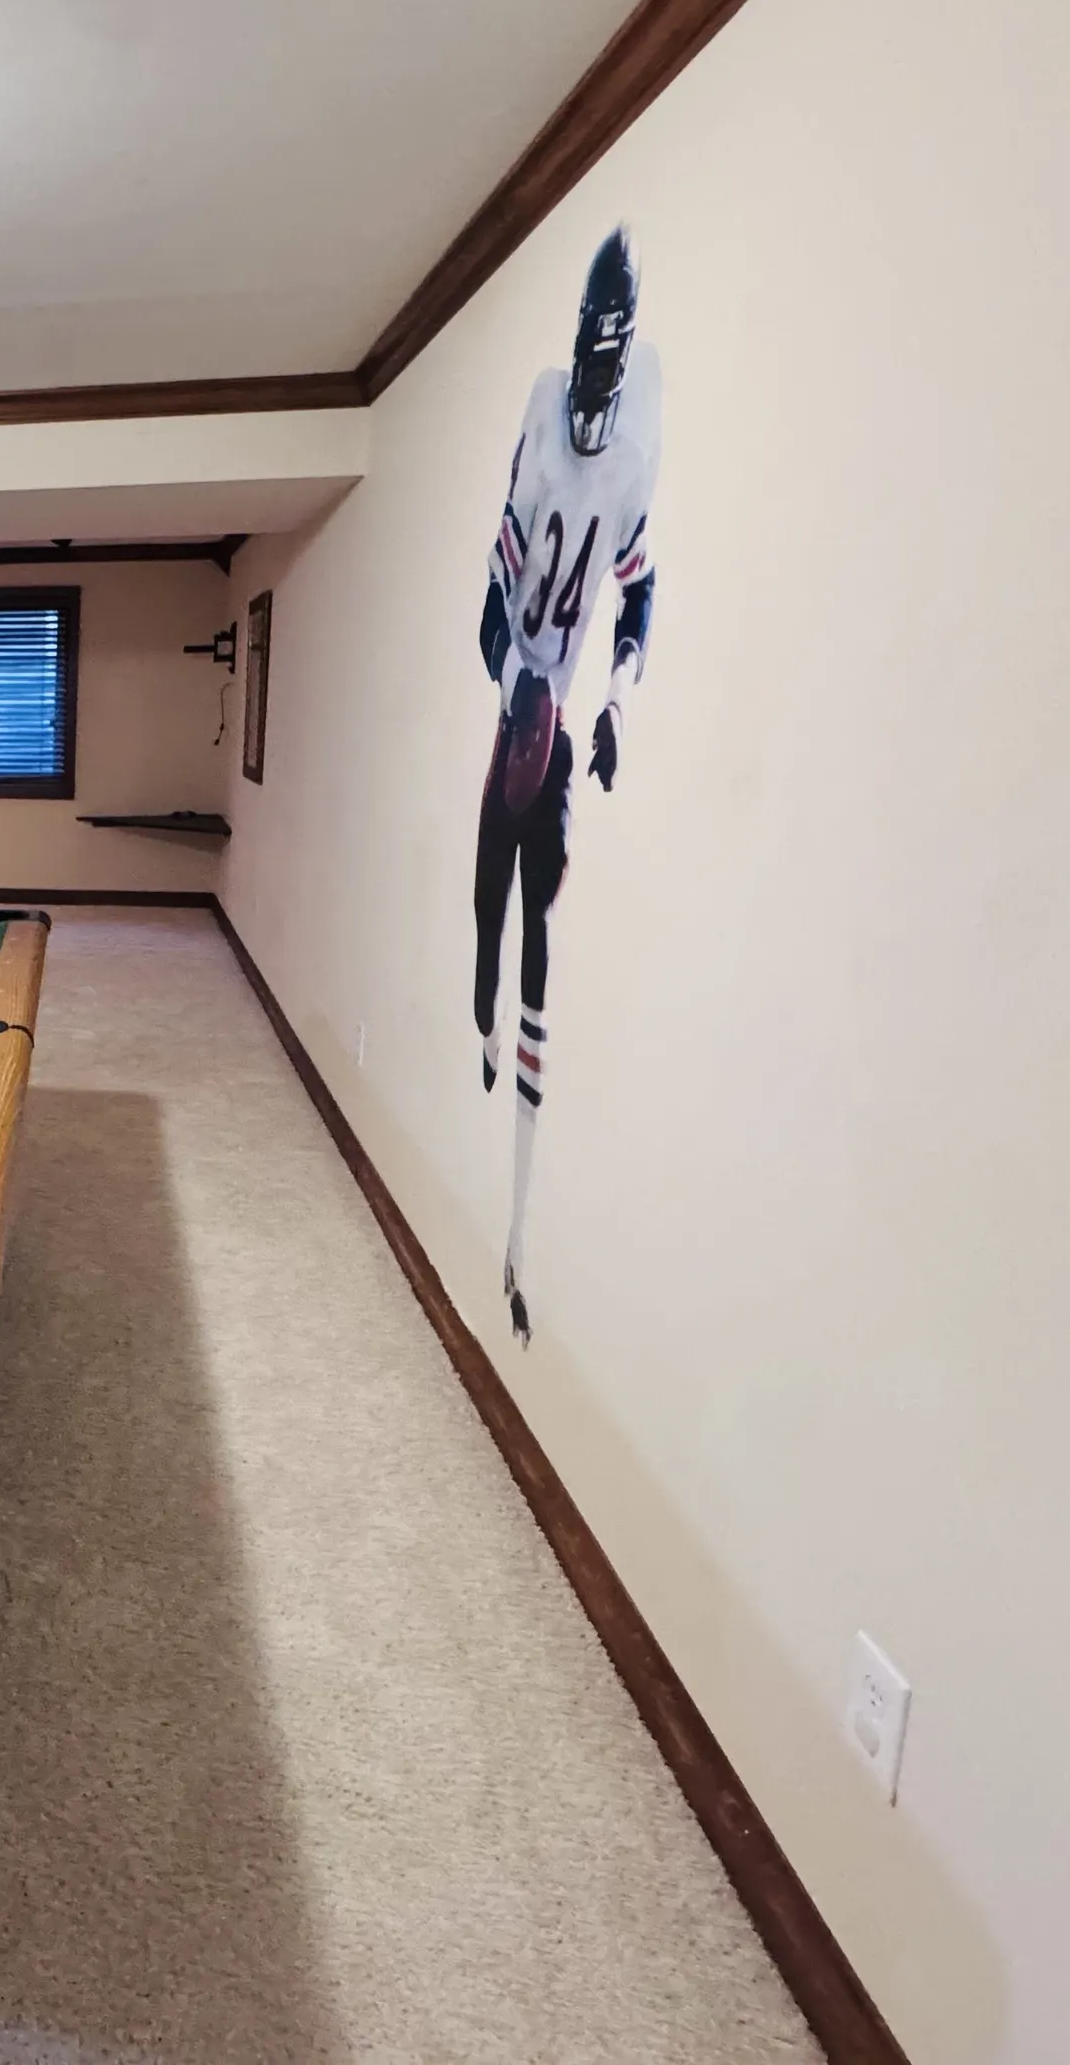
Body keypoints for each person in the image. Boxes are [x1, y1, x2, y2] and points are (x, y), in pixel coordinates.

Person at [473, 226, 660, 1344]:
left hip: (559, 720)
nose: (596, 370)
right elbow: (490, 607)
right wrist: (518, 691)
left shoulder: (636, 465)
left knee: (539, 914)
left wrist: (614, 705)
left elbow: (640, 596)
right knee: (486, 911)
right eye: (590, 344)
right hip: (519, 704)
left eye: (613, 350)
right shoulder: (539, 428)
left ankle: (518, 1228)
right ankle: (482, 1029)